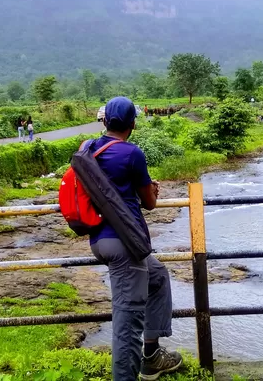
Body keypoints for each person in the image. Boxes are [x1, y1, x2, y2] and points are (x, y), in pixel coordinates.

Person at [89, 96, 182, 380]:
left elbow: (108, 187)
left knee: (157, 275)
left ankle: (151, 355)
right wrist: (151, 189)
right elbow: (150, 203)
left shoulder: (87, 148)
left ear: (104, 121)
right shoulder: (132, 153)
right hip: (125, 244)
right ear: (133, 124)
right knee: (128, 325)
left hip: (99, 239)